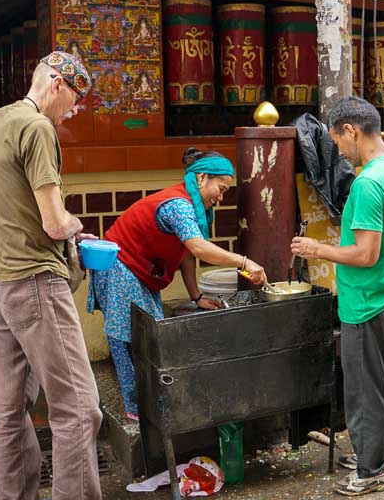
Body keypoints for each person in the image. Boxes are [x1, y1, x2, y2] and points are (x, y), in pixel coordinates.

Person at [0, 51, 122, 500]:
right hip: (36, 281)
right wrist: (78, 228)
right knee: (79, 403)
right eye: (75, 100)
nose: (74, 112)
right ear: (57, 84)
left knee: (10, 405)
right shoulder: (38, 129)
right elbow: (53, 221)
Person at [290, 96, 384, 497]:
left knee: (364, 391)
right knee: (381, 383)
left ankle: (372, 471)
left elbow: (365, 253)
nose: (339, 153)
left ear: (351, 130)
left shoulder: (367, 183)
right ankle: (379, 453)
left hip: (366, 301)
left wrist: (316, 250)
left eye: (338, 143)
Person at [88, 148, 268, 421]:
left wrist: (196, 297)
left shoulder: (195, 207)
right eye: (220, 189)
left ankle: (153, 402)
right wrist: (245, 262)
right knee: (129, 339)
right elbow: (198, 248)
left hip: (141, 269)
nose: (220, 198)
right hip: (120, 266)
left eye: (225, 192)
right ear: (202, 178)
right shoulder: (179, 205)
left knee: (149, 336)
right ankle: (138, 410)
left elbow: (185, 255)